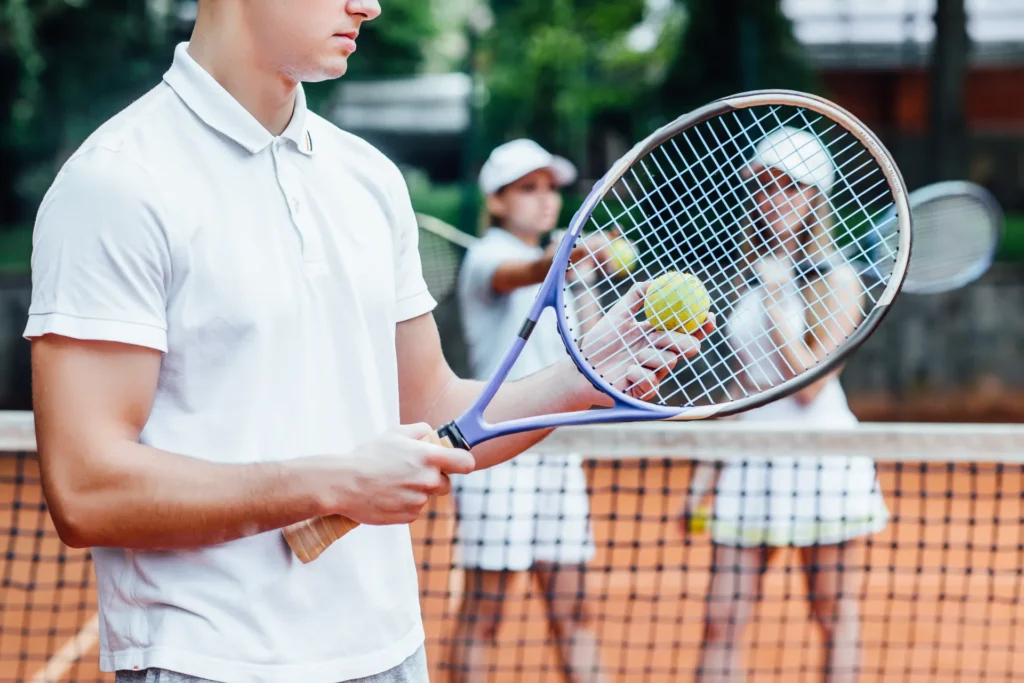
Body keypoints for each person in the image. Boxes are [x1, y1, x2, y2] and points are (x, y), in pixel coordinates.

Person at [24, 2, 712, 683]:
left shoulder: (369, 179)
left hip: (389, 651)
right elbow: (87, 490)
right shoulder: (115, 183)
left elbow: (436, 405)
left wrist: (579, 379)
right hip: (207, 661)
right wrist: (332, 481)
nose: (370, 5)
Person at [686, 127, 890, 683]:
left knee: (833, 615)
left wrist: (778, 299)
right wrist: (706, 471)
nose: (776, 199)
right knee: (721, 619)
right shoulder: (750, 276)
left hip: (822, 462)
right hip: (752, 462)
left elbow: (809, 387)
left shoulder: (839, 280)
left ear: (815, 199)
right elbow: (743, 389)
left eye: (791, 188)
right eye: (766, 187)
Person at [446, 140, 613, 683]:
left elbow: (591, 361)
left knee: (573, 609)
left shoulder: (569, 270)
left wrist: (581, 271)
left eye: (550, 188)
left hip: (555, 452)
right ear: (496, 201)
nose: (545, 200)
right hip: (495, 454)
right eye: (528, 188)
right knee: (486, 611)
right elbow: (527, 270)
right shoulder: (487, 258)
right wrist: (567, 254)